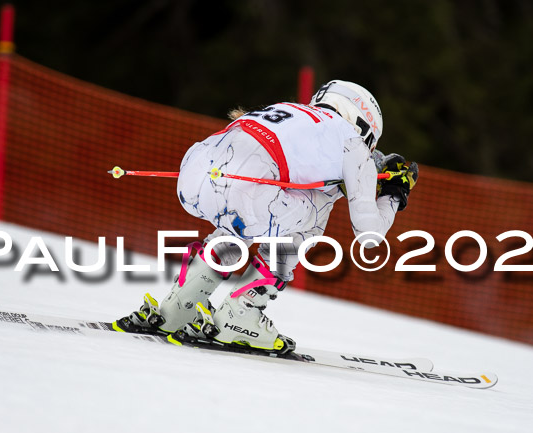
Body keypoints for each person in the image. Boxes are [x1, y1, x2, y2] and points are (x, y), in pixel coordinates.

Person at [113, 80, 418, 354]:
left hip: (193, 179)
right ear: (364, 125)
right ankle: (240, 313)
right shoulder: (352, 142)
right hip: (249, 188)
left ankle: (179, 306)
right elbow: (369, 234)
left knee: (244, 216)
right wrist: (394, 193)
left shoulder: (291, 110)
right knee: (311, 215)